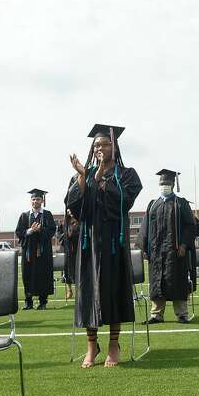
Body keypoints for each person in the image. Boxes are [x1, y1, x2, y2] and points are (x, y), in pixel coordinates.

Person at [65, 124, 142, 368]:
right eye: (96, 145)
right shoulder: (84, 175)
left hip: (112, 244)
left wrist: (100, 179)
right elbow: (75, 206)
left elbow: (123, 202)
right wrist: (85, 176)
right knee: (88, 293)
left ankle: (112, 345)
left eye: (104, 144)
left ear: (114, 147)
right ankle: (91, 346)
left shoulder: (126, 175)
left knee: (114, 290)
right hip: (88, 245)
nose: (99, 148)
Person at [139, 169, 195, 324]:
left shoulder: (180, 203)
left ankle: (182, 314)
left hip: (176, 252)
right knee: (157, 283)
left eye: (167, 183)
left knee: (177, 281)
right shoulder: (153, 205)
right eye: (162, 183)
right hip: (156, 252)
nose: (164, 185)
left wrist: (184, 244)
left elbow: (190, 226)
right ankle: (156, 314)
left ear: (173, 184)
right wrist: (144, 248)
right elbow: (145, 228)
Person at [17, 188, 56, 310]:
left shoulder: (47, 214)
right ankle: (28, 302)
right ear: (30, 201)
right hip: (28, 251)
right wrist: (29, 231)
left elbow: (52, 230)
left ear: (42, 200)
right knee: (27, 275)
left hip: (43, 251)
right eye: (33, 199)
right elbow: (19, 231)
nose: (35, 201)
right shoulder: (24, 215)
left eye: (38, 199)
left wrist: (40, 230)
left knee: (43, 274)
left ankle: (42, 302)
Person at [59, 212, 79, 301]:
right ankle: (69, 290)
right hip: (67, 249)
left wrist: (73, 235)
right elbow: (58, 234)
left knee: (78, 269)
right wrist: (66, 236)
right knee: (67, 269)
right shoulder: (64, 223)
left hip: (78, 248)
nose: (70, 212)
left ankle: (78, 291)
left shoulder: (80, 220)